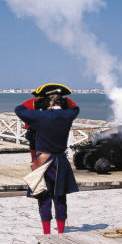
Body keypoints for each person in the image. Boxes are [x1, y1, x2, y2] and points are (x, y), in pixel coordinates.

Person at [15, 83, 79, 235]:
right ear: (61, 100)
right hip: (61, 161)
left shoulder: (38, 116)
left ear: (45, 99)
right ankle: (61, 234)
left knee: (44, 198)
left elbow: (19, 109)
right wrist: (65, 101)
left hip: (43, 162)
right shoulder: (68, 115)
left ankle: (47, 234)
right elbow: (75, 107)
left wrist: (36, 101)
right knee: (60, 198)